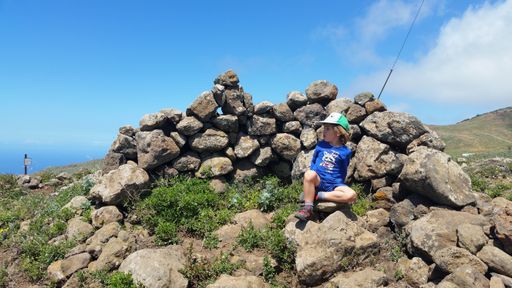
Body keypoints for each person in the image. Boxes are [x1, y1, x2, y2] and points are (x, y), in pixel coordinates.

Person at [295, 112, 357, 221]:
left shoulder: (345, 152)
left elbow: (343, 170)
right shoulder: (321, 145)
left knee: (352, 195)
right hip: (319, 181)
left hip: (334, 184)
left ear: (338, 132)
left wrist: (337, 185)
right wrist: (313, 180)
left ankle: (318, 195)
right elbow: (314, 162)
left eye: (328, 129)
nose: (324, 131)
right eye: (324, 128)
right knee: (309, 174)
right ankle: (308, 208)